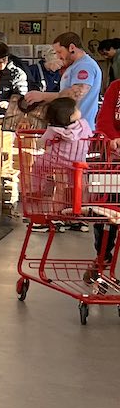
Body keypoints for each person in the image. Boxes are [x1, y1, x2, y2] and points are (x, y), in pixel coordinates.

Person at [24, 32, 103, 128]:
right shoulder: (74, 66)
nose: (58, 56)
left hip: (79, 130)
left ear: (72, 48)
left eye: (59, 52)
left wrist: (42, 96)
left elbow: (75, 94)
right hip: (70, 128)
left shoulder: (84, 66)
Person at [92, 77, 120, 276]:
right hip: (112, 162)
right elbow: (103, 121)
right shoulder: (116, 88)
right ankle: (103, 257)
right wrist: (112, 139)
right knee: (104, 212)